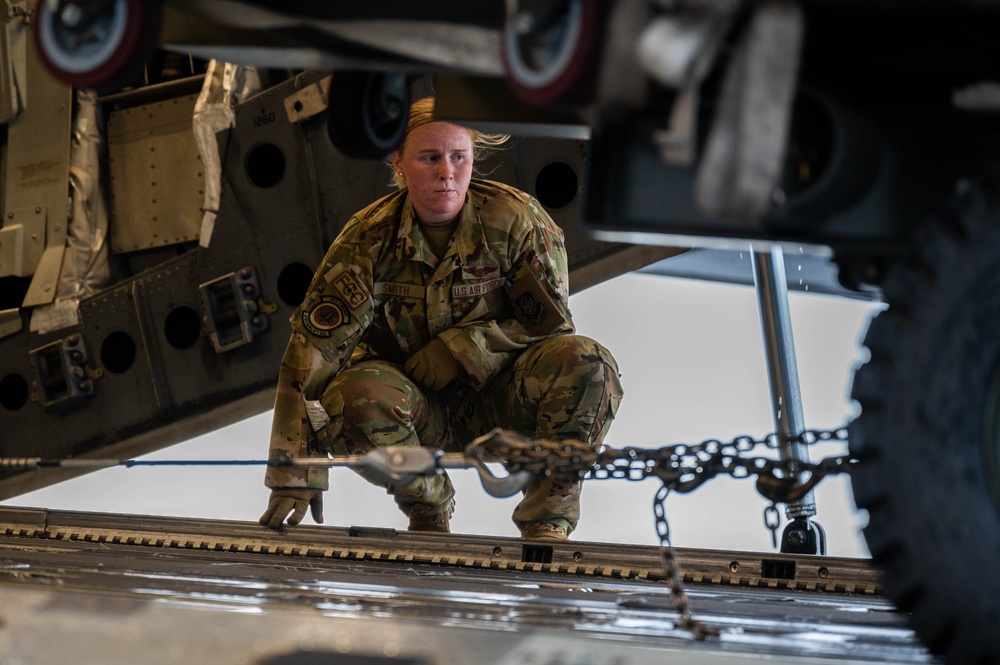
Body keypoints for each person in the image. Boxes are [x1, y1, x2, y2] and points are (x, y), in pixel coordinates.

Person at [258, 97, 622, 540]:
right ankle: (429, 504)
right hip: (411, 407)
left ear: (473, 159)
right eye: (430, 158)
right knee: (354, 397)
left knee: (588, 365)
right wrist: (294, 474)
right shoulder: (367, 241)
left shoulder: (517, 222)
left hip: (501, 400)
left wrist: (462, 349)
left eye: (458, 157)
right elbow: (310, 356)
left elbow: (550, 325)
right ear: (398, 163)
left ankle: (548, 519)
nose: (446, 173)